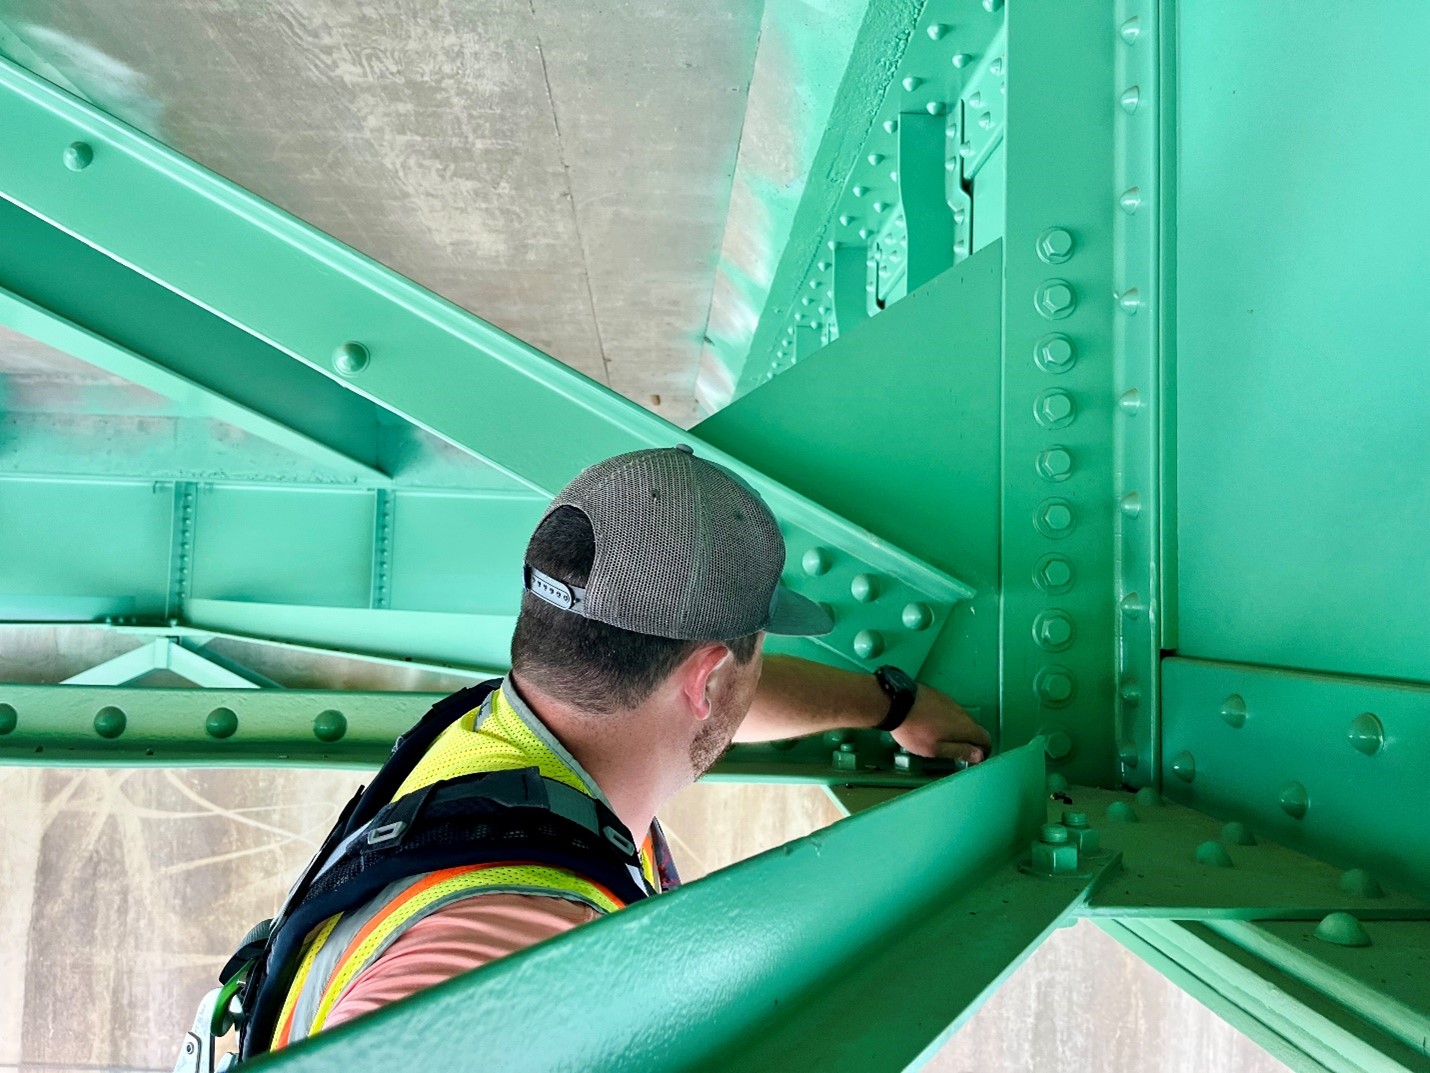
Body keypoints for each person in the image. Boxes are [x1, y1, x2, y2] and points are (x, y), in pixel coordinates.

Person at [260, 446, 988, 1049]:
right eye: (754, 653)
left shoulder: (481, 738)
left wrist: (889, 703)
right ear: (703, 676)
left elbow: (724, 695)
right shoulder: (524, 942)